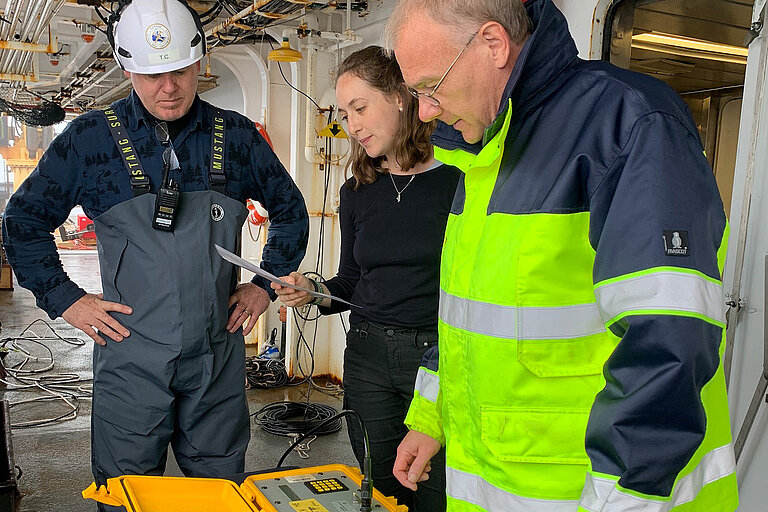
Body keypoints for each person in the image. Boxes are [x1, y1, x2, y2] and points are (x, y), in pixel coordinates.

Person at [384, 0, 739, 511]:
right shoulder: (484, 153)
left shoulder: (630, 124)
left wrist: (622, 502)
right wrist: (430, 419)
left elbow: (668, 342)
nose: (425, 110)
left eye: (431, 86)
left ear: (493, 44)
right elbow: (466, 320)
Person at [1, 0, 308, 501]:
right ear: (127, 69)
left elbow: (291, 210)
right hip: (131, 356)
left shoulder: (235, 136)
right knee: (127, 493)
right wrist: (66, 300)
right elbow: (23, 220)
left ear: (199, 62)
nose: (168, 88)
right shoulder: (89, 140)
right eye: (151, 75)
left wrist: (263, 286)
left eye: (180, 71)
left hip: (216, 353)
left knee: (220, 493)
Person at [271, 46, 459, 511]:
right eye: (345, 112)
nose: (352, 125)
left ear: (400, 98)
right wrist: (314, 290)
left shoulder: (457, 181)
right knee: (379, 485)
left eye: (360, 107)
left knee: (435, 489)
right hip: (369, 357)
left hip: (436, 357)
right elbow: (352, 280)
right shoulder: (357, 190)